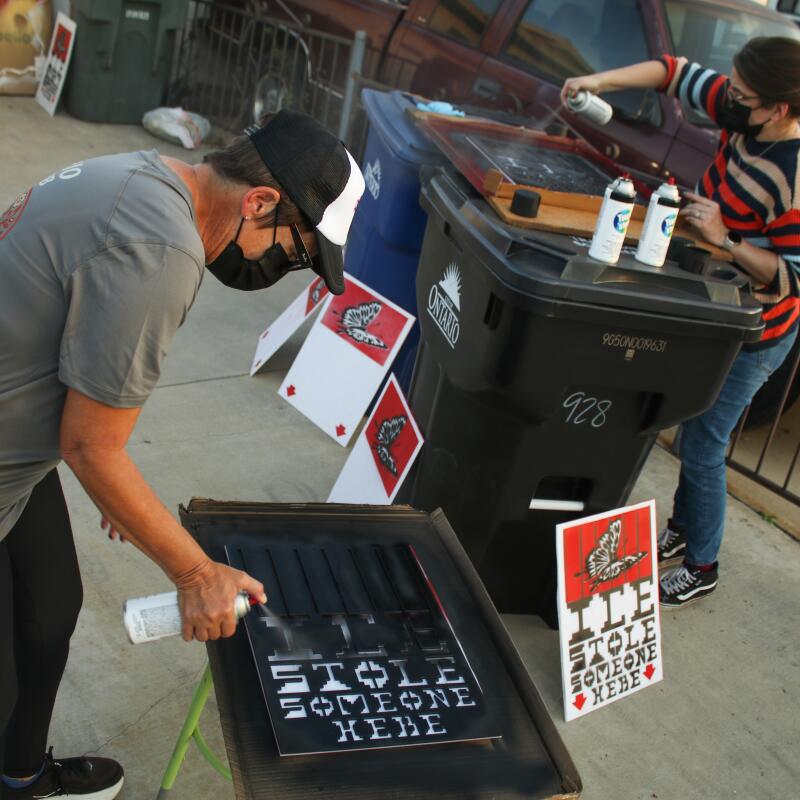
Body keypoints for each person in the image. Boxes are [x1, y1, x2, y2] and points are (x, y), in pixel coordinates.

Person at [0, 110, 365, 799]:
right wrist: (196, 574)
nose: (281, 269)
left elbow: (89, 370)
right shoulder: (162, 249)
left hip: (17, 463)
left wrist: (117, 483)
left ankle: (19, 777)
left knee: (48, 610)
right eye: (294, 252)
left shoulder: (147, 175)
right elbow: (89, 445)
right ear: (259, 200)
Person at [562, 37, 800, 608]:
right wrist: (598, 83)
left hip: (758, 331)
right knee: (691, 432)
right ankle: (680, 530)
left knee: (704, 445)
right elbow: (674, 72)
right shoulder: (745, 112)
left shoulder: (792, 178)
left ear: (779, 110)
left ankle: (703, 563)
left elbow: (793, 275)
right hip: (712, 309)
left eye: (743, 94)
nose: (730, 98)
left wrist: (728, 238)